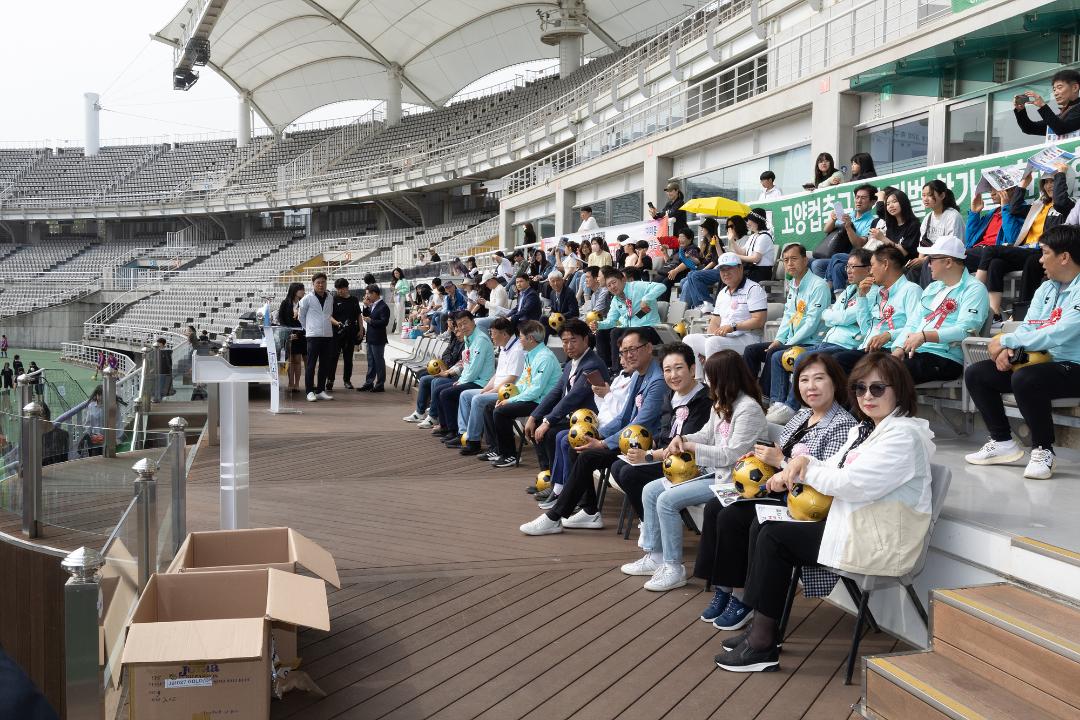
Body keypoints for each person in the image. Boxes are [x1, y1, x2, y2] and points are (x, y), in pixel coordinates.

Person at [715, 353, 933, 673]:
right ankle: (762, 630)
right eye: (860, 389)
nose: (867, 397)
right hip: (856, 525)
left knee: (775, 537)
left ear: (899, 389)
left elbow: (850, 483)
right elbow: (833, 465)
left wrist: (799, 467)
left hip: (880, 541)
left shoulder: (901, 436)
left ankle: (762, 643)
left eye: (877, 388)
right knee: (764, 525)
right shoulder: (871, 429)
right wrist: (801, 464)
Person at [693, 353, 858, 628]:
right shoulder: (802, 415)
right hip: (775, 490)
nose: (811, 386)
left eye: (819, 379)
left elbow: (823, 485)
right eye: (804, 380)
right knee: (716, 507)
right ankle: (725, 588)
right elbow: (778, 454)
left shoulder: (843, 426)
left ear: (835, 382)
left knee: (733, 517)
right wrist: (775, 463)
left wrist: (781, 462)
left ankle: (744, 598)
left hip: (804, 506)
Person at [621, 349, 767, 591]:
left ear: (726, 377)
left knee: (667, 500)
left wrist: (691, 447)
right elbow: (706, 435)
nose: (708, 382)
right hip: (714, 473)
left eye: (711, 377)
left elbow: (730, 455)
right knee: (650, 490)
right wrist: (682, 438)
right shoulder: (722, 402)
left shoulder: (748, 409)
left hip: (733, 481)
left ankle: (673, 567)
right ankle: (655, 555)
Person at [519, 328, 668, 534]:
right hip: (626, 438)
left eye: (633, 349)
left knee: (588, 455)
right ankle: (589, 511)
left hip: (643, 446)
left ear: (649, 348)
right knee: (578, 447)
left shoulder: (657, 381)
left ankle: (555, 516)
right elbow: (624, 417)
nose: (628, 355)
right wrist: (598, 435)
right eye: (624, 351)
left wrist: (604, 443)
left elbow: (640, 424)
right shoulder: (637, 376)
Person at [964, 225, 1080, 480]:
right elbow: (1030, 326)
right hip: (1040, 359)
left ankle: (1043, 450)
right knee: (978, 373)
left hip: (1073, 366)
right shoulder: (1047, 288)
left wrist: (1007, 339)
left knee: (1026, 378)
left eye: (1045, 252)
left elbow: (1061, 332)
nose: (1040, 259)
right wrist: (1009, 349)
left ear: (1064, 257)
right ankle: (1002, 442)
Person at [609, 342, 712, 525]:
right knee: (618, 466)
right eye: (667, 370)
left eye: (678, 368)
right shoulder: (670, 395)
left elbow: (683, 444)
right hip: (665, 456)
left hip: (688, 463)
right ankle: (648, 520)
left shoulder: (704, 399)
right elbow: (666, 434)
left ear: (693, 368)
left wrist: (648, 456)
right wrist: (647, 447)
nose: (673, 376)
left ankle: (654, 523)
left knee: (629, 474)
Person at [743, 243, 831, 420]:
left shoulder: (818, 286)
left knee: (776, 353)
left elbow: (812, 323)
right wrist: (779, 339)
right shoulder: (793, 284)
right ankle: (751, 396)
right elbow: (787, 317)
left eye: (794, 259)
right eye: (786, 260)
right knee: (752, 351)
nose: (789, 263)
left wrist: (787, 343)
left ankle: (772, 401)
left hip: (810, 341)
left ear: (805, 260)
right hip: (792, 339)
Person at [779, 250, 874, 411]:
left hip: (846, 344)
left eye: (853, 266)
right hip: (828, 340)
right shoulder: (848, 290)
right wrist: (835, 316)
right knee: (777, 356)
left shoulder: (871, 292)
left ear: (867, 269)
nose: (848, 271)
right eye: (847, 267)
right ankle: (778, 402)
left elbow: (844, 317)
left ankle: (793, 407)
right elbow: (827, 314)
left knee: (803, 358)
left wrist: (834, 316)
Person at [890, 236, 989, 384]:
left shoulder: (974, 289)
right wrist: (898, 347)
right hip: (918, 353)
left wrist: (925, 336)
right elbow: (913, 322)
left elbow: (966, 330)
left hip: (945, 357)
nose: (928, 265)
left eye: (931, 260)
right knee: (874, 369)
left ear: (948, 262)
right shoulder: (933, 287)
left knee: (888, 375)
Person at [977, 168, 1073, 319]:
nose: (1049, 185)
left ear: (1064, 182)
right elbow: (1014, 209)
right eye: (1046, 182)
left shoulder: (1068, 206)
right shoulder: (1038, 206)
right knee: (996, 262)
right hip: (1026, 250)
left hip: (1044, 251)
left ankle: (975, 293)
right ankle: (993, 312)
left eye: (1053, 181)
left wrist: (1061, 174)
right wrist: (1023, 184)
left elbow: (1061, 201)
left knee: (992, 251)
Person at [523, 318, 608, 472]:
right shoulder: (570, 364)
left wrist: (547, 421)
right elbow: (556, 392)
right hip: (571, 417)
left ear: (585, 339)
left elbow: (573, 397)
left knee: (549, 432)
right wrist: (534, 416)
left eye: (573, 341)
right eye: (564, 341)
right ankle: (547, 475)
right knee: (536, 425)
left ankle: (558, 483)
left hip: (588, 420)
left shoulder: (592, 364)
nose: (569, 346)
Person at [833, 244, 922, 373]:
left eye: (873, 265)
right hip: (868, 349)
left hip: (890, 350)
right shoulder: (881, 292)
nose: (870, 271)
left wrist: (889, 335)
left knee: (837, 361)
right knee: (829, 363)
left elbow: (915, 327)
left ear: (885, 264)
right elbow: (865, 330)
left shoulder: (911, 290)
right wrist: (862, 296)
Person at [484, 320, 561, 467]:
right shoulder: (530, 354)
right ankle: (497, 449)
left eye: (521, 337)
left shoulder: (545, 357)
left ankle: (510, 455)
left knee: (500, 412)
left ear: (531, 339)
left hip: (542, 401)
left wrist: (511, 401)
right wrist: (506, 397)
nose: (519, 340)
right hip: (532, 398)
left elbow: (536, 390)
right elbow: (523, 383)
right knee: (490, 406)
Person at [682, 254, 769, 379]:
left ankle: (713, 387)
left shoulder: (753, 289)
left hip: (749, 337)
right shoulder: (722, 293)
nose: (725, 273)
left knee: (713, 343)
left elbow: (759, 320)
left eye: (730, 268)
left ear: (740, 268)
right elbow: (715, 321)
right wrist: (709, 338)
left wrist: (733, 327)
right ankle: (699, 380)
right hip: (724, 338)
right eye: (722, 269)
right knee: (688, 340)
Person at [458, 318, 524, 455]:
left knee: (477, 399)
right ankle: (463, 434)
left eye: (493, 333)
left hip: (509, 393)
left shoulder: (517, 350)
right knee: (465, 395)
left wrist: (490, 392)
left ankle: (474, 442)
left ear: (504, 334)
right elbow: (497, 375)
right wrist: (485, 389)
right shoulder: (504, 347)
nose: (491, 336)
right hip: (497, 389)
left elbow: (512, 379)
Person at [430, 310, 496, 441]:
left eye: (465, 323)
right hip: (471, 378)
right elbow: (466, 364)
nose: (462, 327)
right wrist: (461, 380)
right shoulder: (468, 338)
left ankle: (454, 431)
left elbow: (474, 369)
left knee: (446, 394)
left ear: (473, 321)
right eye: (459, 325)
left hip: (481, 382)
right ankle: (445, 427)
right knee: (439, 390)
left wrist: (461, 382)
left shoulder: (480, 339)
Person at [590, 267, 666, 371]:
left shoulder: (637, 286)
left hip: (649, 328)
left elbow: (661, 287)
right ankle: (604, 370)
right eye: (609, 285)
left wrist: (646, 299)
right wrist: (599, 325)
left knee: (616, 332)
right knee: (601, 333)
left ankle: (617, 370)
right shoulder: (615, 300)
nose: (612, 287)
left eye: (614, 282)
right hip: (629, 330)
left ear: (623, 280)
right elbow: (612, 321)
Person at [814, 184, 877, 290]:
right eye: (857, 197)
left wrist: (848, 227)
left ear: (873, 202)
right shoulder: (848, 215)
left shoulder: (872, 221)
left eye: (863, 198)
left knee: (818, 264)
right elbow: (826, 230)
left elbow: (859, 245)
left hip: (853, 258)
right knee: (807, 261)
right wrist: (833, 219)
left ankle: (826, 292)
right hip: (834, 253)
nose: (859, 201)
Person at [405, 316, 464, 425]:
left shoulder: (466, 342)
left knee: (436, 381)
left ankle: (433, 415)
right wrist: (446, 365)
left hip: (456, 375)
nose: (456, 332)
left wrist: (447, 371)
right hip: (448, 369)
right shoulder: (454, 337)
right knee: (423, 378)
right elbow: (446, 353)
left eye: (451, 322)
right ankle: (420, 412)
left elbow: (461, 362)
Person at [964, 188, 1023, 274]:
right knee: (947, 258)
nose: (992, 193)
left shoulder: (1020, 210)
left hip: (994, 252)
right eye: (991, 190)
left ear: (1012, 189)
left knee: (956, 258)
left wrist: (1005, 208)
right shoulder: (991, 213)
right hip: (977, 252)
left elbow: (1013, 239)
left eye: (996, 189)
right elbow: (969, 243)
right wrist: (974, 213)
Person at [298, 272, 336, 402]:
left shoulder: (330, 297)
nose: (320, 285)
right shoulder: (307, 298)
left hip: (327, 335)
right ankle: (309, 391)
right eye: (318, 283)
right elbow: (301, 316)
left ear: (326, 283)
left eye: (323, 282)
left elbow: (329, 314)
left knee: (325, 364)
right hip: (313, 336)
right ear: (313, 284)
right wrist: (309, 328)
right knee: (311, 364)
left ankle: (320, 390)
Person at [1014, 68, 1080, 140]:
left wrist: (1042, 105)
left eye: (1059, 87)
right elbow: (1029, 128)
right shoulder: (1060, 117)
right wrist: (1020, 110)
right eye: (1054, 89)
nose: (1055, 93)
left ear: (1075, 87)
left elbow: (1061, 128)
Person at [678, 218, 723, 311]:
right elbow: (701, 260)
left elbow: (715, 261)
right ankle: (695, 305)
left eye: (703, 228)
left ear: (709, 229)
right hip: (703, 269)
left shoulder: (717, 242)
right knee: (683, 281)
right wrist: (689, 257)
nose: (701, 230)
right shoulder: (705, 243)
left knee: (688, 281)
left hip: (712, 270)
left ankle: (685, 309)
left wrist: (703, 270)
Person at [327, 278, 362, 391]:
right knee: (333, 357)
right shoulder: (333, 299)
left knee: (348, 358)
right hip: (336, 333)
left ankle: (347, 380)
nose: (340, 291)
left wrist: (361, 330)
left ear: (347, 288)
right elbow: (329, 316)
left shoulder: (354, 300)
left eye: (342, 288)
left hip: (350, 333)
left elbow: (358, 316)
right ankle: (330, 380)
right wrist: (337, 323)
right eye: (338, 289)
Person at [870, 186, 920, 262]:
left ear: (903, 202)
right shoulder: (891, 225)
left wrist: (883, 238)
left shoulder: (913, 225)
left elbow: (904, 252)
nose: (891, 206)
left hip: (907, 265)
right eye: (888, 204)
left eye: (894, 202)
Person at [357, 284, 390, 392]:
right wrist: (366, 306)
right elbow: (365, 314)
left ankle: (380, 384)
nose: (366, 296)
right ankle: (369, 382)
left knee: (379, 361)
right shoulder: (372, 305)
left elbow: (384, 322)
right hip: (371, 337)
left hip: (378, 338)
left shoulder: (383, 306)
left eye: (368, 294)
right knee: (371, 361)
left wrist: (370, 321)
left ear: (374, 293)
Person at [730, 208, 775, 282]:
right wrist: (731, 240)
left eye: (749, 220)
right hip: (752, 269)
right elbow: (742, 252)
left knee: (733, 278)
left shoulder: (764, 237)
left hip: (761, 272)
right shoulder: (753, 236)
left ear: (757, 221)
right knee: (730, 276)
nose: (747, 223)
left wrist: (735, 256)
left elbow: (755, 259)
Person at [278, 283, 306, 394]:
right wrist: (288, 333)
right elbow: (281, 319)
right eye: (301, 289)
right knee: (289, 360)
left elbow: (306, 320)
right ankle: (290, 382)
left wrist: (298, 334)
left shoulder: (304, 303)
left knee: (298, 360)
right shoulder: (285, 303)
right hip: (288, 335)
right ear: (294, 290)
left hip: (301, 335)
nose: (303, 291)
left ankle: (297, 384)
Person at [661, 227, 703, 299]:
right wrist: (665, 253)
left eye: (682, 237)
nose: (680, 240)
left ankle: (662, 305)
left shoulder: (692, 249)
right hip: (672, 272)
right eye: (679, 237)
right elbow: (669, 263)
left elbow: (689, 262)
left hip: (683, 273)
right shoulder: (678, 249)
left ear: (690, 239)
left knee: (665, 283)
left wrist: (675, 271)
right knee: (656, 281)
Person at [390, 268, 411, 336]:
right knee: (396, 314)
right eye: (394, 273)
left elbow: (407, 289)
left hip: (400, 298)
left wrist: (398, 291)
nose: (395, 274)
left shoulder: (403, 280)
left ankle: (399, 330)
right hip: (396, 298)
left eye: (397, 273)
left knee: (399, 313)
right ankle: (398, 328)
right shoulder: (398, 281)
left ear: (400, 273)